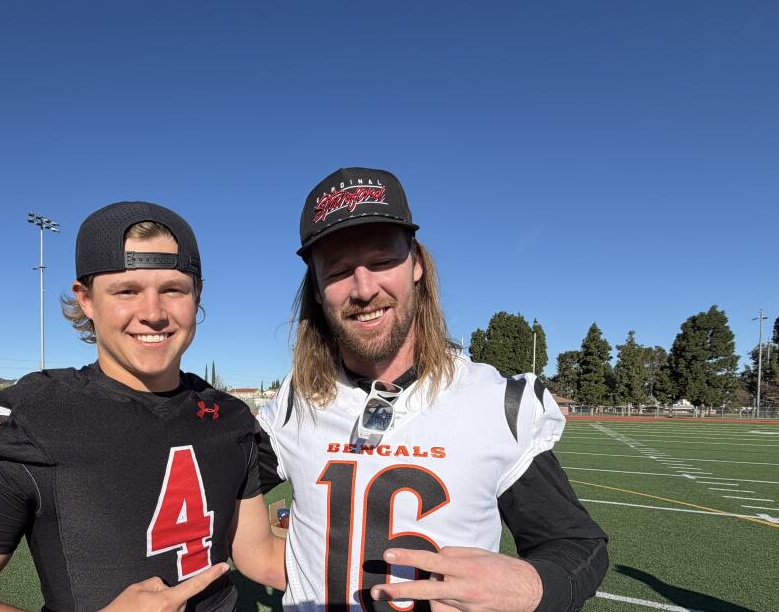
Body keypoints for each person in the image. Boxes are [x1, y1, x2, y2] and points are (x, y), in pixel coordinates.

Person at [0, 202, 285, 612]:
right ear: (85, 300)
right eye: (126, 291)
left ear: (197, 295)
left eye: (173, 290)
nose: (153, 314)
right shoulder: (35, 418)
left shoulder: (228, 416)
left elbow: (258, 555)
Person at [256, 168, 608, 612]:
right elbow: (213, 482)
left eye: (382, 261)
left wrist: (529, 585)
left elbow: (577, 543)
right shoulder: (298, 399)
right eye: (340, 270)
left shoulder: (493, 401)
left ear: (417, 264)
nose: (364, 289)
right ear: (318, 286)